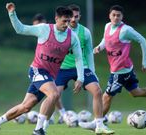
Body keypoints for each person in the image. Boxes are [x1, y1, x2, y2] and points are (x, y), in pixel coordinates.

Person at [0, 3, 84, 135]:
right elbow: (20, 29)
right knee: (54, 94)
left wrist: (80, 78)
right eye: (64, 21)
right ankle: (38, 129)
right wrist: (12, 13)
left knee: (26, 106)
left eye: (68, 21)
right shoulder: (44, 29)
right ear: (56, 18)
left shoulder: (72, 37)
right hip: (37, 70)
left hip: (50, 76)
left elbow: (79, 58)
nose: (67, 24)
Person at [79, 5, 146, 130]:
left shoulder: (125, 30)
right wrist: (99, 47)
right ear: (109, 15)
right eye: (113, 15)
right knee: (137, 92)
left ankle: (96, 123)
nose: (116, 17)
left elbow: (142, 40)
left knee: (106, 96)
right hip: (126, 69)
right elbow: (106, 39)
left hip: (120, 71)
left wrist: (145, 61)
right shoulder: (107, 26)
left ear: (122, 17)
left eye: (118, 15)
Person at [42, 4, 114, 135]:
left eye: (76, 16)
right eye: (71, 17)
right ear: (67, 18)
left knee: (97, 91)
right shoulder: (61, 30)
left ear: (80, 16)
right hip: (62, 69)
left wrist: (92, 72)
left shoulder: (85, 32)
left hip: (82, 67)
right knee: (53, 96)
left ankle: (99, 125)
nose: (73, 20)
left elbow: (88, 54)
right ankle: (43, 127)